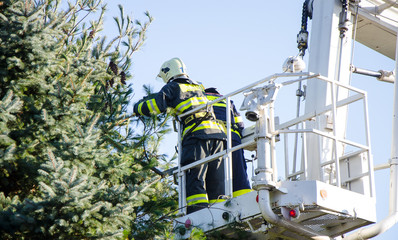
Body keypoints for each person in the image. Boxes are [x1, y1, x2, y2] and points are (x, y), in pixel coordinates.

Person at [133, 58, 227, 214]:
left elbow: (157, 105)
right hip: (217, 136)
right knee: (215, 179)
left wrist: (138, 107)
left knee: (194, 175)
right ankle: (221, 211)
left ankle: (197, 212)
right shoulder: (197, 87)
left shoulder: (173, 86)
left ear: (167, 73)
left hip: (197, 136)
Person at [204, 87, 251, 198]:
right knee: (238, 171)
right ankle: (243, 195)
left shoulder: (202, 99)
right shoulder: (227, 101)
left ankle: (217, 199)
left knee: (216, 173)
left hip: (214, 137)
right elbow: (240, 125)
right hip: (233, 138)